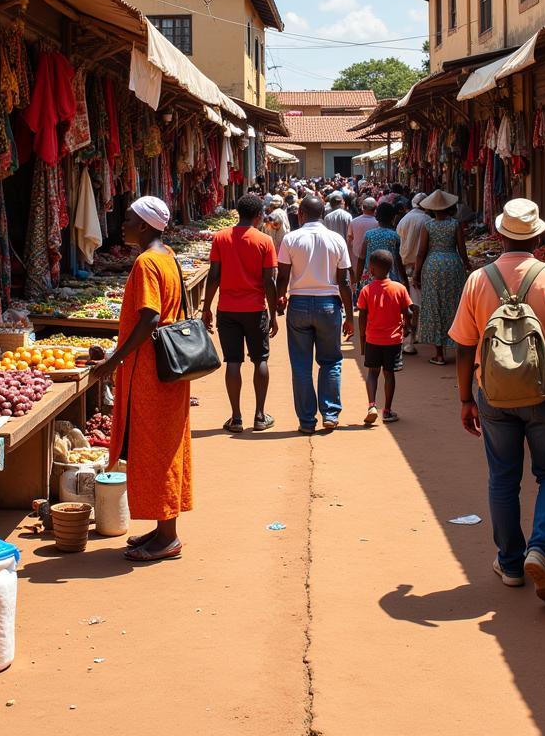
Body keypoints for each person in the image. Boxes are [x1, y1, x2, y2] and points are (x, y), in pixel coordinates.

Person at [449, 198, 545, 604]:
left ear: (500, 235)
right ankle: (541, 550)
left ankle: (510, 563)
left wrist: (465, 398)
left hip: (492, 392)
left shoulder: (478, 280)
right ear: (539, 236)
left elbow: (463, 344)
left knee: (503, 478)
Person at [92, 196, 192, 563]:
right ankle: (162, 528)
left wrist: (115, 361)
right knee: (162, 446)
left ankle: (168, 537)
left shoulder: (148, 262)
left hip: (152, 371)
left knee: (155, 449)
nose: (123, 224)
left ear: (146, 226)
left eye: (129, 219)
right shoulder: (166, 256)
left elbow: (149, 317)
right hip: (167, 368)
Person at [201, 194, 279, 435]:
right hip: (256, 310)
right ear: (258, 216)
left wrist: (206, 307)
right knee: (260, 360)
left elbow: (213, 275)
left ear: (238, 213)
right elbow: (270, 282)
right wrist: (274, 314)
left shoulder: (221, 237)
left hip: (227, 309)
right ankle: (259, 415)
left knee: (233, 362)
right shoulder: (265, 241)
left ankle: (236, 418)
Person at [276, 195, 355, 432]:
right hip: (329, 306)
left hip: (298, 305)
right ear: (323, 214)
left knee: (301, 365)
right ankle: (330, 413)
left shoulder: (291, 239)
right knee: (331, 361)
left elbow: (282, 276)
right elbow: (345, 282)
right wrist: (350, 317)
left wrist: (280, 299)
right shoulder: (336, 239)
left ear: (300, 214)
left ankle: (307, 421)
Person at [413, 190, 471, 366]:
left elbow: (421, 252)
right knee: (454, 304)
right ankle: (458, 346)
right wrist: (467, 265)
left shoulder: (428, 226)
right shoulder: (455, 224)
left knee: (434, 304)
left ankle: (439, 354)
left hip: (432, 267)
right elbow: (462, 250)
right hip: (453, 265)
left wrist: (416, 274)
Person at [357, 249, 414, 424]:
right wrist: (407, 327)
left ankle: (372, 405)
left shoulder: (366, 290)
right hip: (393, 340)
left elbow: (362, 317)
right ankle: (387, 410)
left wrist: (362, 340)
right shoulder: (400, 288)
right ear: (391, 268)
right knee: (389, 374)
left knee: (372, 373)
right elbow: (408, 311)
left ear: (371, 270)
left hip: (373, 339)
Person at [396, 193, 428, 355]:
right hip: (419, 267)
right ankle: (410, 340)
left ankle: (408, 334)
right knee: (416, 305)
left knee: (406, 303)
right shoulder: (427, 220)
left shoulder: (404, 219)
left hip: (403, 265)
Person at [358, 201, 406, 286]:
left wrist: (357, 279)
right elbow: (398, 261)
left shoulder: (368, 235)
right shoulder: (395, 236)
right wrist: (405, 280)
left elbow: (361, 258)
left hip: (370, 279)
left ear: (377, 216)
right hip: (390, 279)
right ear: (392, 217)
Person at [348, 196, 379, 283]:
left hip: (356, 257)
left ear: (362, 208)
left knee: (357, 281)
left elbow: (349, 239)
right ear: (375, 208)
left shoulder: (354, 222)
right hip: (372, 259)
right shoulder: (377, 223)